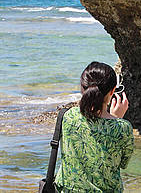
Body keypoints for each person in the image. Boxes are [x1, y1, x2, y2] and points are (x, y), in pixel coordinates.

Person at [55, 61, 134, 192]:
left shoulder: (68, 116)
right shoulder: (122, 128)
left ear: (82, 88)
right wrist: (116, 119)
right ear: (113, 91)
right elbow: (123, 163)